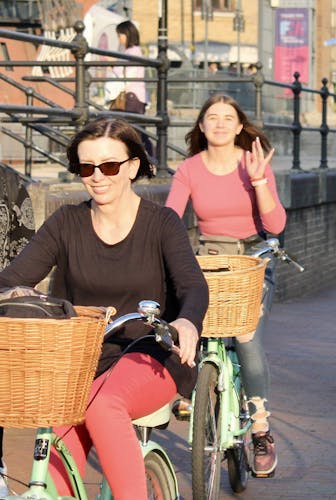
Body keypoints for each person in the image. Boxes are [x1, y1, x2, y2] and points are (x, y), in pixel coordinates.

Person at [0, 117, 208, 498]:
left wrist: (188, 323)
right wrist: (13, 292)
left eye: (109, 166)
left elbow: (193, 285)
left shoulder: (162, 223)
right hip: (82, 357)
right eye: (86, 167)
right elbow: (13, 276)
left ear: (131, 167)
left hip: (153, 351)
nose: (97, 176)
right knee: (56, 455)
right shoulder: (67, 222)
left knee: (103, 407)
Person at [165, 93, 286, 478]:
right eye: (211, 117)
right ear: (201, 126)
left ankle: (261, 428)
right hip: (206, 260)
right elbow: (170, 218)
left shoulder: (253, 163)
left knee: (246, 336)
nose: (218, 123)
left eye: (227, 118)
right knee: (183, 327)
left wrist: (258, 180)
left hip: (252, 260)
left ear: (238, 126)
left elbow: (277, 225)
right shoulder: (189, 169)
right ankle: (192, 392)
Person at [108, 21, 153, 157]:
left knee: (133, 131)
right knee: (138, 132)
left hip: (132, 95)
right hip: (136, 95)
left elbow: (129, 75)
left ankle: (147, 160)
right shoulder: (132, 51)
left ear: (127, 34)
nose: (119, 38)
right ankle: (153, 160)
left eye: (120, 35)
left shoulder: (132, 52)